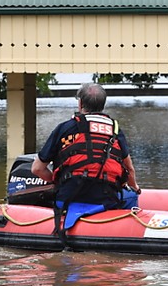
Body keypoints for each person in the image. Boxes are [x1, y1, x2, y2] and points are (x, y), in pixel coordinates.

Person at [31, 82, 140, 212]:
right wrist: (135, 188)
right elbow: (129, 169)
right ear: (103, 104)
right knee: (131, 196)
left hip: (67, 198)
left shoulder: (64, 128)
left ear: (80, 103)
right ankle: (123, 228)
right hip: (106, 200)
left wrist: (58, 182)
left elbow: (37, 169)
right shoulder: (115, 131)